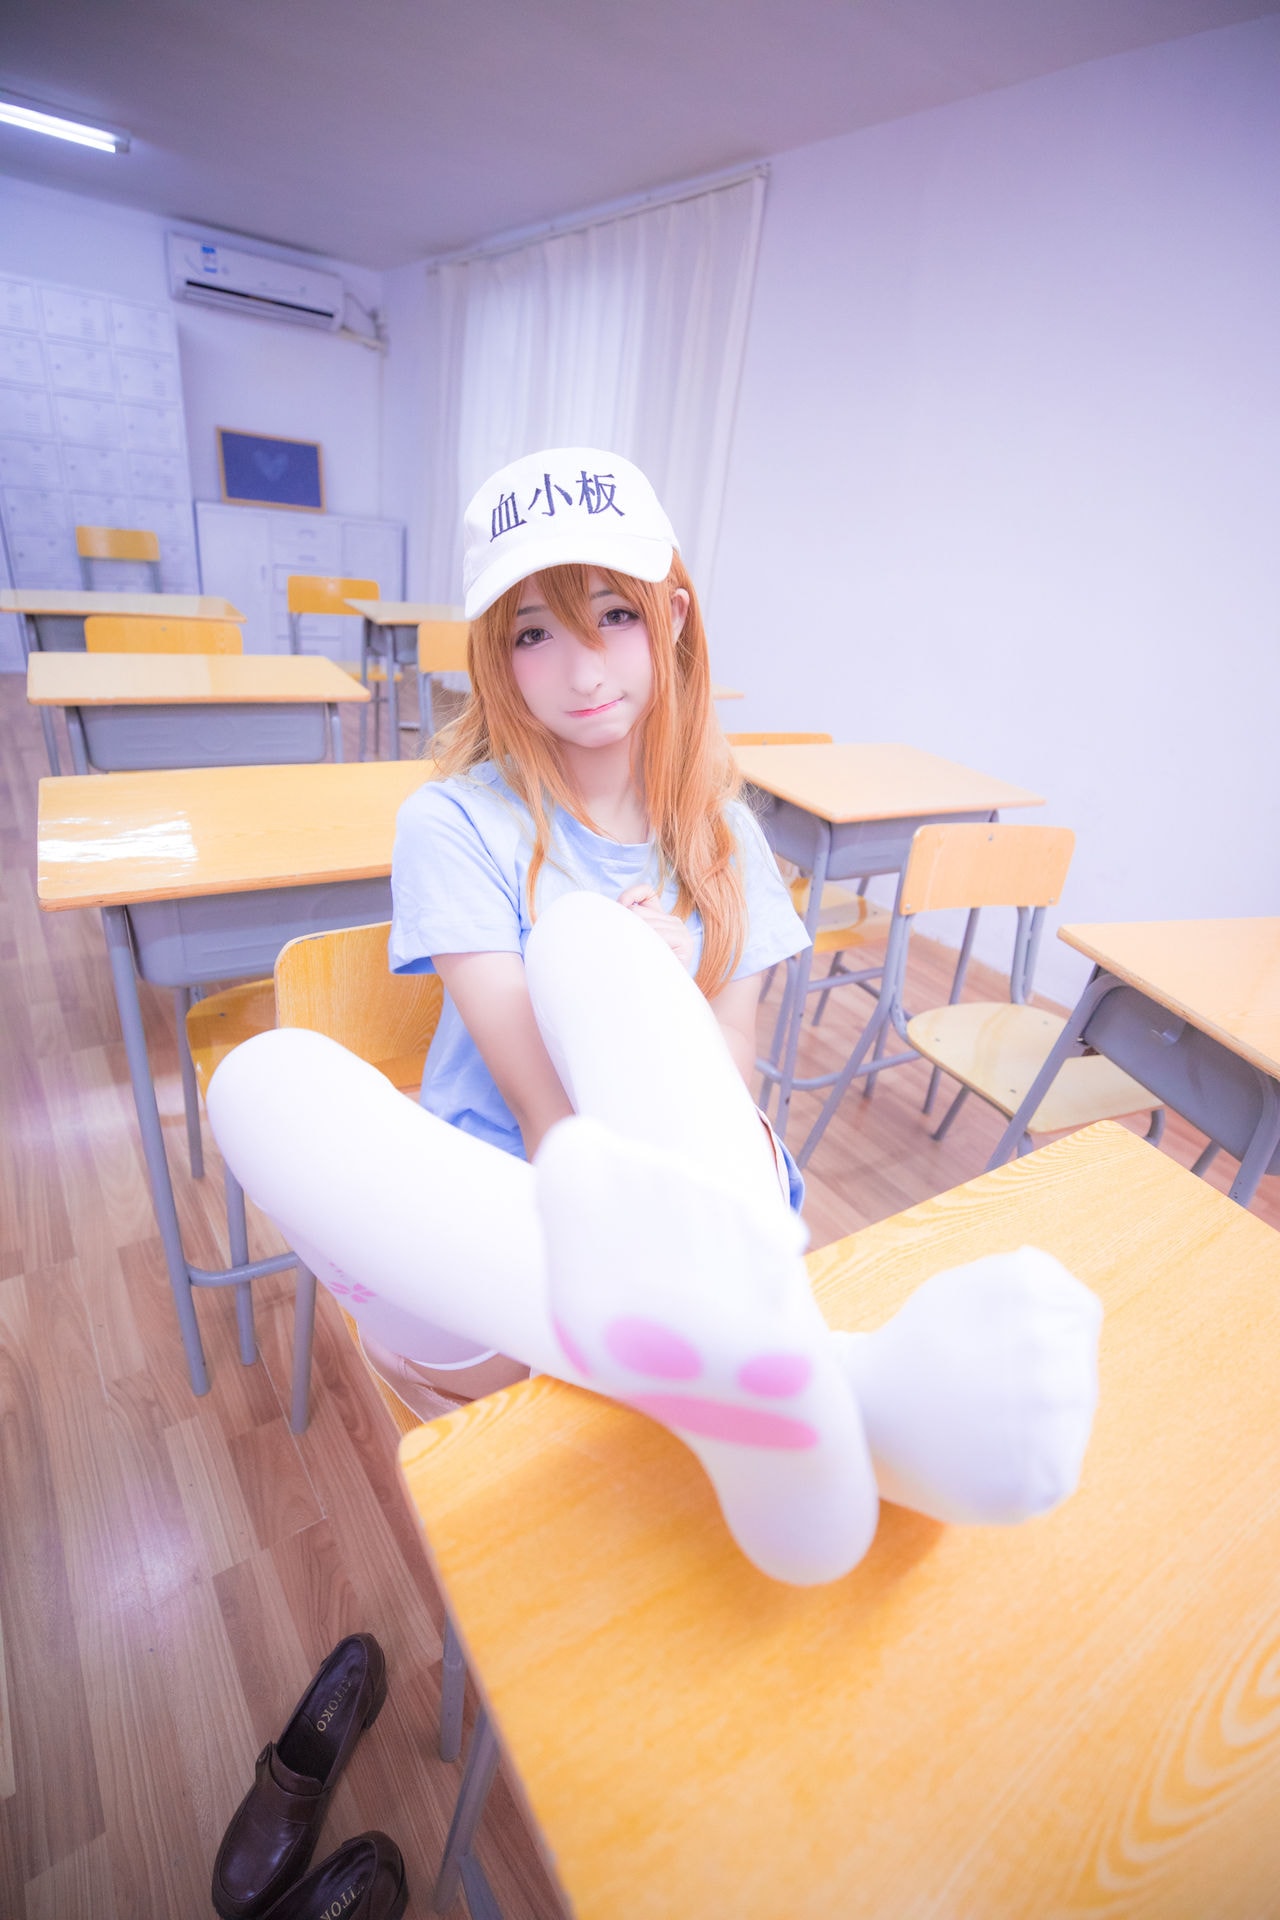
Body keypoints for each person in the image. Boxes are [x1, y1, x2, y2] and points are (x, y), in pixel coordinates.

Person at [207, 447, 1102, 1588]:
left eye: (615, 616)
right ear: (492, 656)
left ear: (672, 615)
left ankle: (738, 1372)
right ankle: (827, 1390)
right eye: (534, 633)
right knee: (263, 1084)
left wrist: (660, 987)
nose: (581, 668)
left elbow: (726, 1078)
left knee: (591, 950)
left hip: (696, 1199)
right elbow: (539, 1106)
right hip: (510, 1222)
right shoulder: (453, 823)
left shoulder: (724, 837)